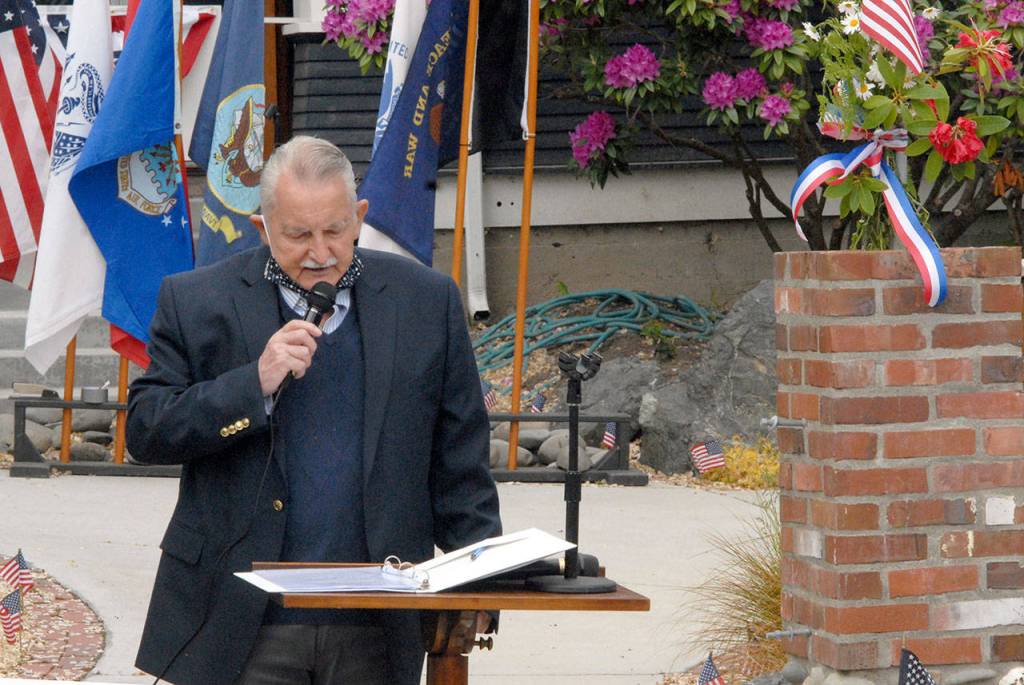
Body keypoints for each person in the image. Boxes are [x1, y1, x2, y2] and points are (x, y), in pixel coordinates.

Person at [127, 135, 502, 685]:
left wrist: (483, 581)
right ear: (263, 228)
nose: (320, 252)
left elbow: (461, 461)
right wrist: (252, 383)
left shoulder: (427, 302)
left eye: (334, 231)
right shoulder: (197, 301)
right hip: (241, 616)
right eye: (298, 235)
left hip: (379, 619)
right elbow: (146, 430)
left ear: (360, 218)